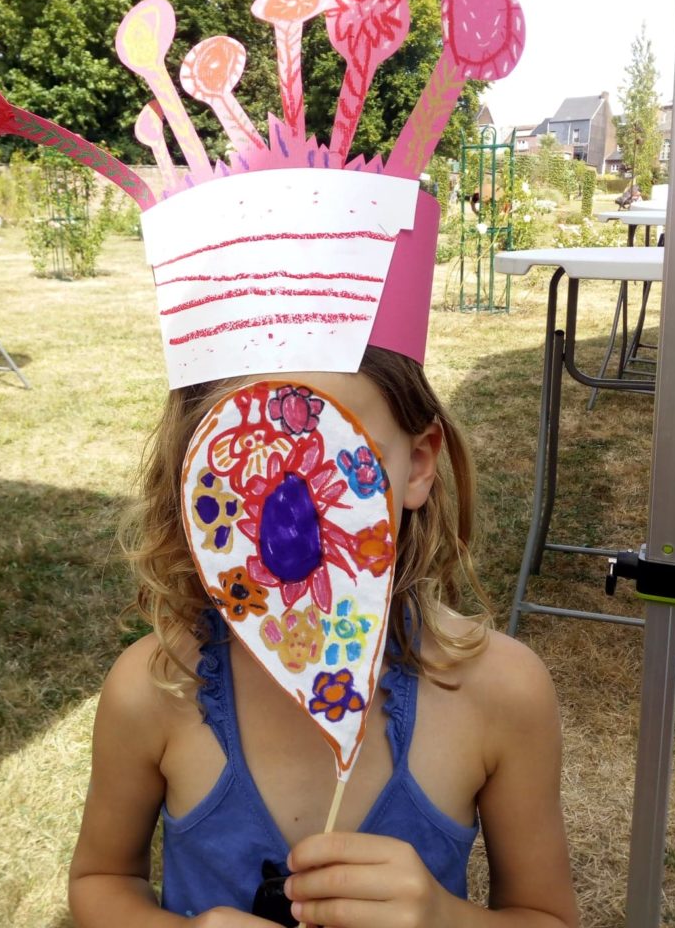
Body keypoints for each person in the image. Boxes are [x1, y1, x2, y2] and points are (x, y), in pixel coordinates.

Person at [68, 345, 580, 928]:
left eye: (339, 456)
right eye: (242, 468)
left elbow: (548, 916)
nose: (293, 514)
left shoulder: (500, 693)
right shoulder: (154, 690)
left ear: (417, 464)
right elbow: (101, 880)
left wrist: (445, 920)